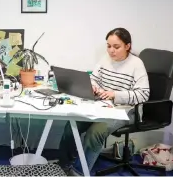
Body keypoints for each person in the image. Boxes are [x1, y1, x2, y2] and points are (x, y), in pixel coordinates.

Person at [58, 28, 150, 175]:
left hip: (125, 111)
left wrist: (114, 94)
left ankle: (79, 171)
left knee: (96, 132)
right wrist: (94, 87)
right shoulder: (105, 59)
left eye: (116, 47)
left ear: (127, 46)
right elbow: (94, 79)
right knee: (72, 123)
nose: (111, 51)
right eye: (108, 46)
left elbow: (143, 94)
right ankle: (64, 164)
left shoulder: (136, 64)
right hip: (102, 105)